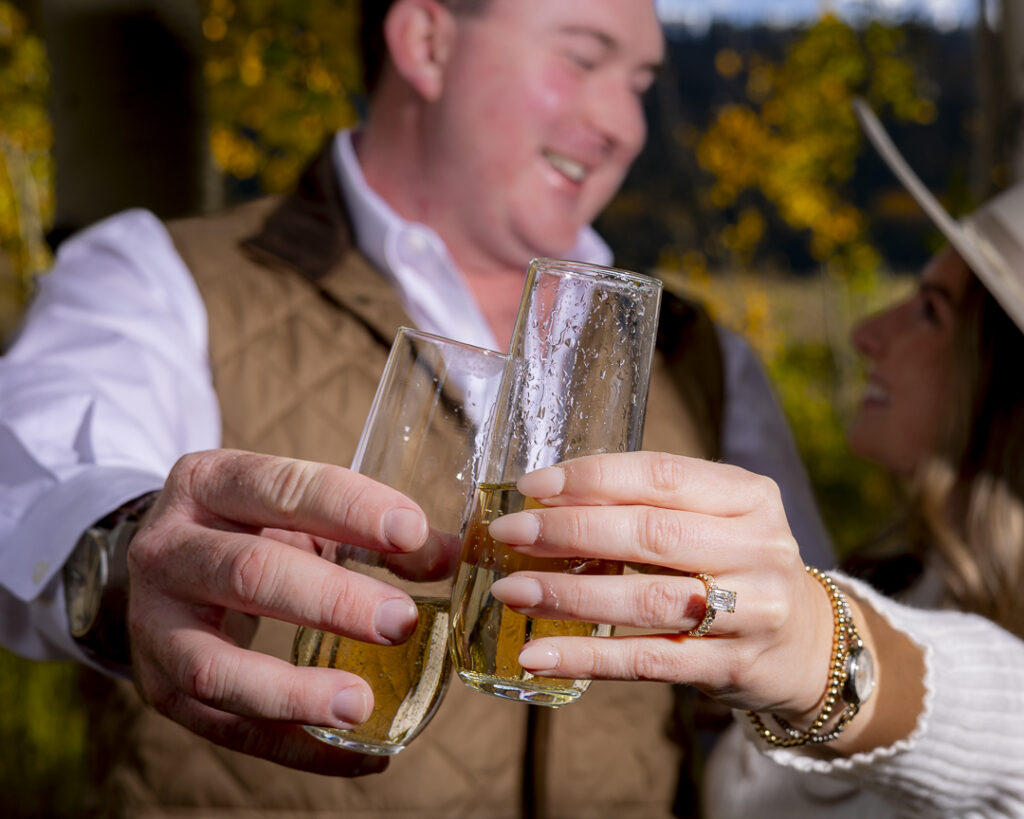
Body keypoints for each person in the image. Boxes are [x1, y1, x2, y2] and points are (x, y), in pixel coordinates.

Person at [0, 1, 832, 816]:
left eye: (640, 80)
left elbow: (801, 695)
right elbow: (34, 479)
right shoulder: (155, 274)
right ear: (426, 43)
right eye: (583, 57)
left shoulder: (698, 356)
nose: (624, 123)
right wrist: (120, 551)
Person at [487, 101, 1024, 817]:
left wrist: (821, 646)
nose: (868, 332)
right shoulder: (902, 577)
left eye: (930, 310)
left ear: (1006, 382)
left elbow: (999, 716)